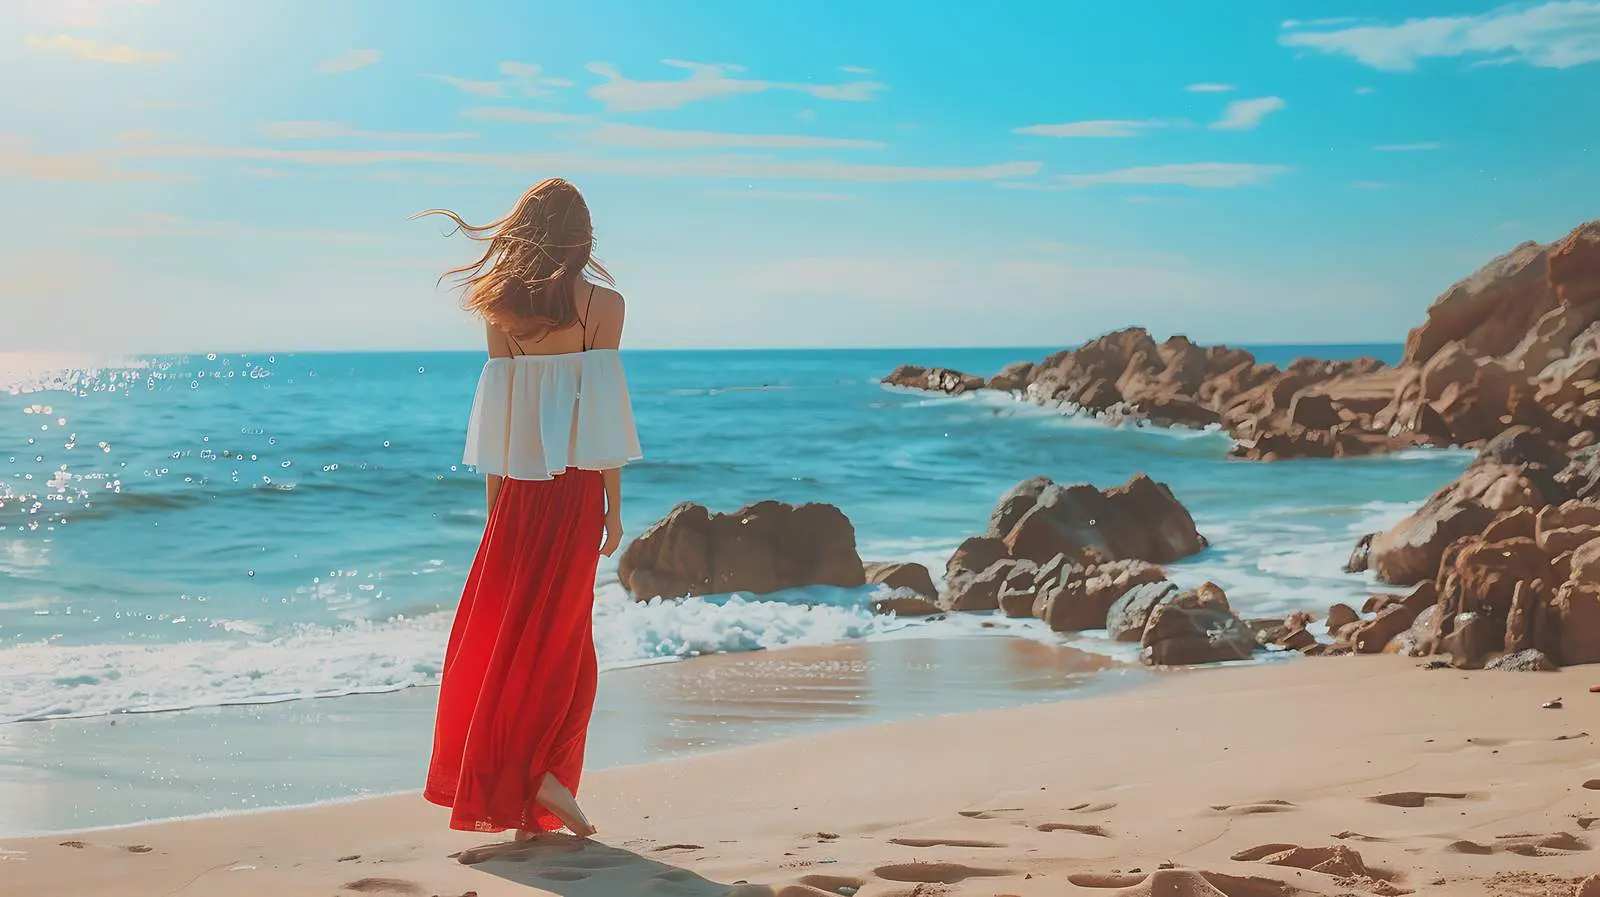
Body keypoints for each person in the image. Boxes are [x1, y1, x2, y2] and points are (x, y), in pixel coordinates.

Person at [415, 178, 641, 839]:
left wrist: (497, 511)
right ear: (582, 235)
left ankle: (528, 788)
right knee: (564, 641)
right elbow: (601, 416)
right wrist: (614, 506)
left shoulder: (501, 311)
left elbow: (502, 424)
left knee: (515, 637)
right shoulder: (606, 306)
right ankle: (538, 780)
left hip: (518, 492)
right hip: (572, 493)